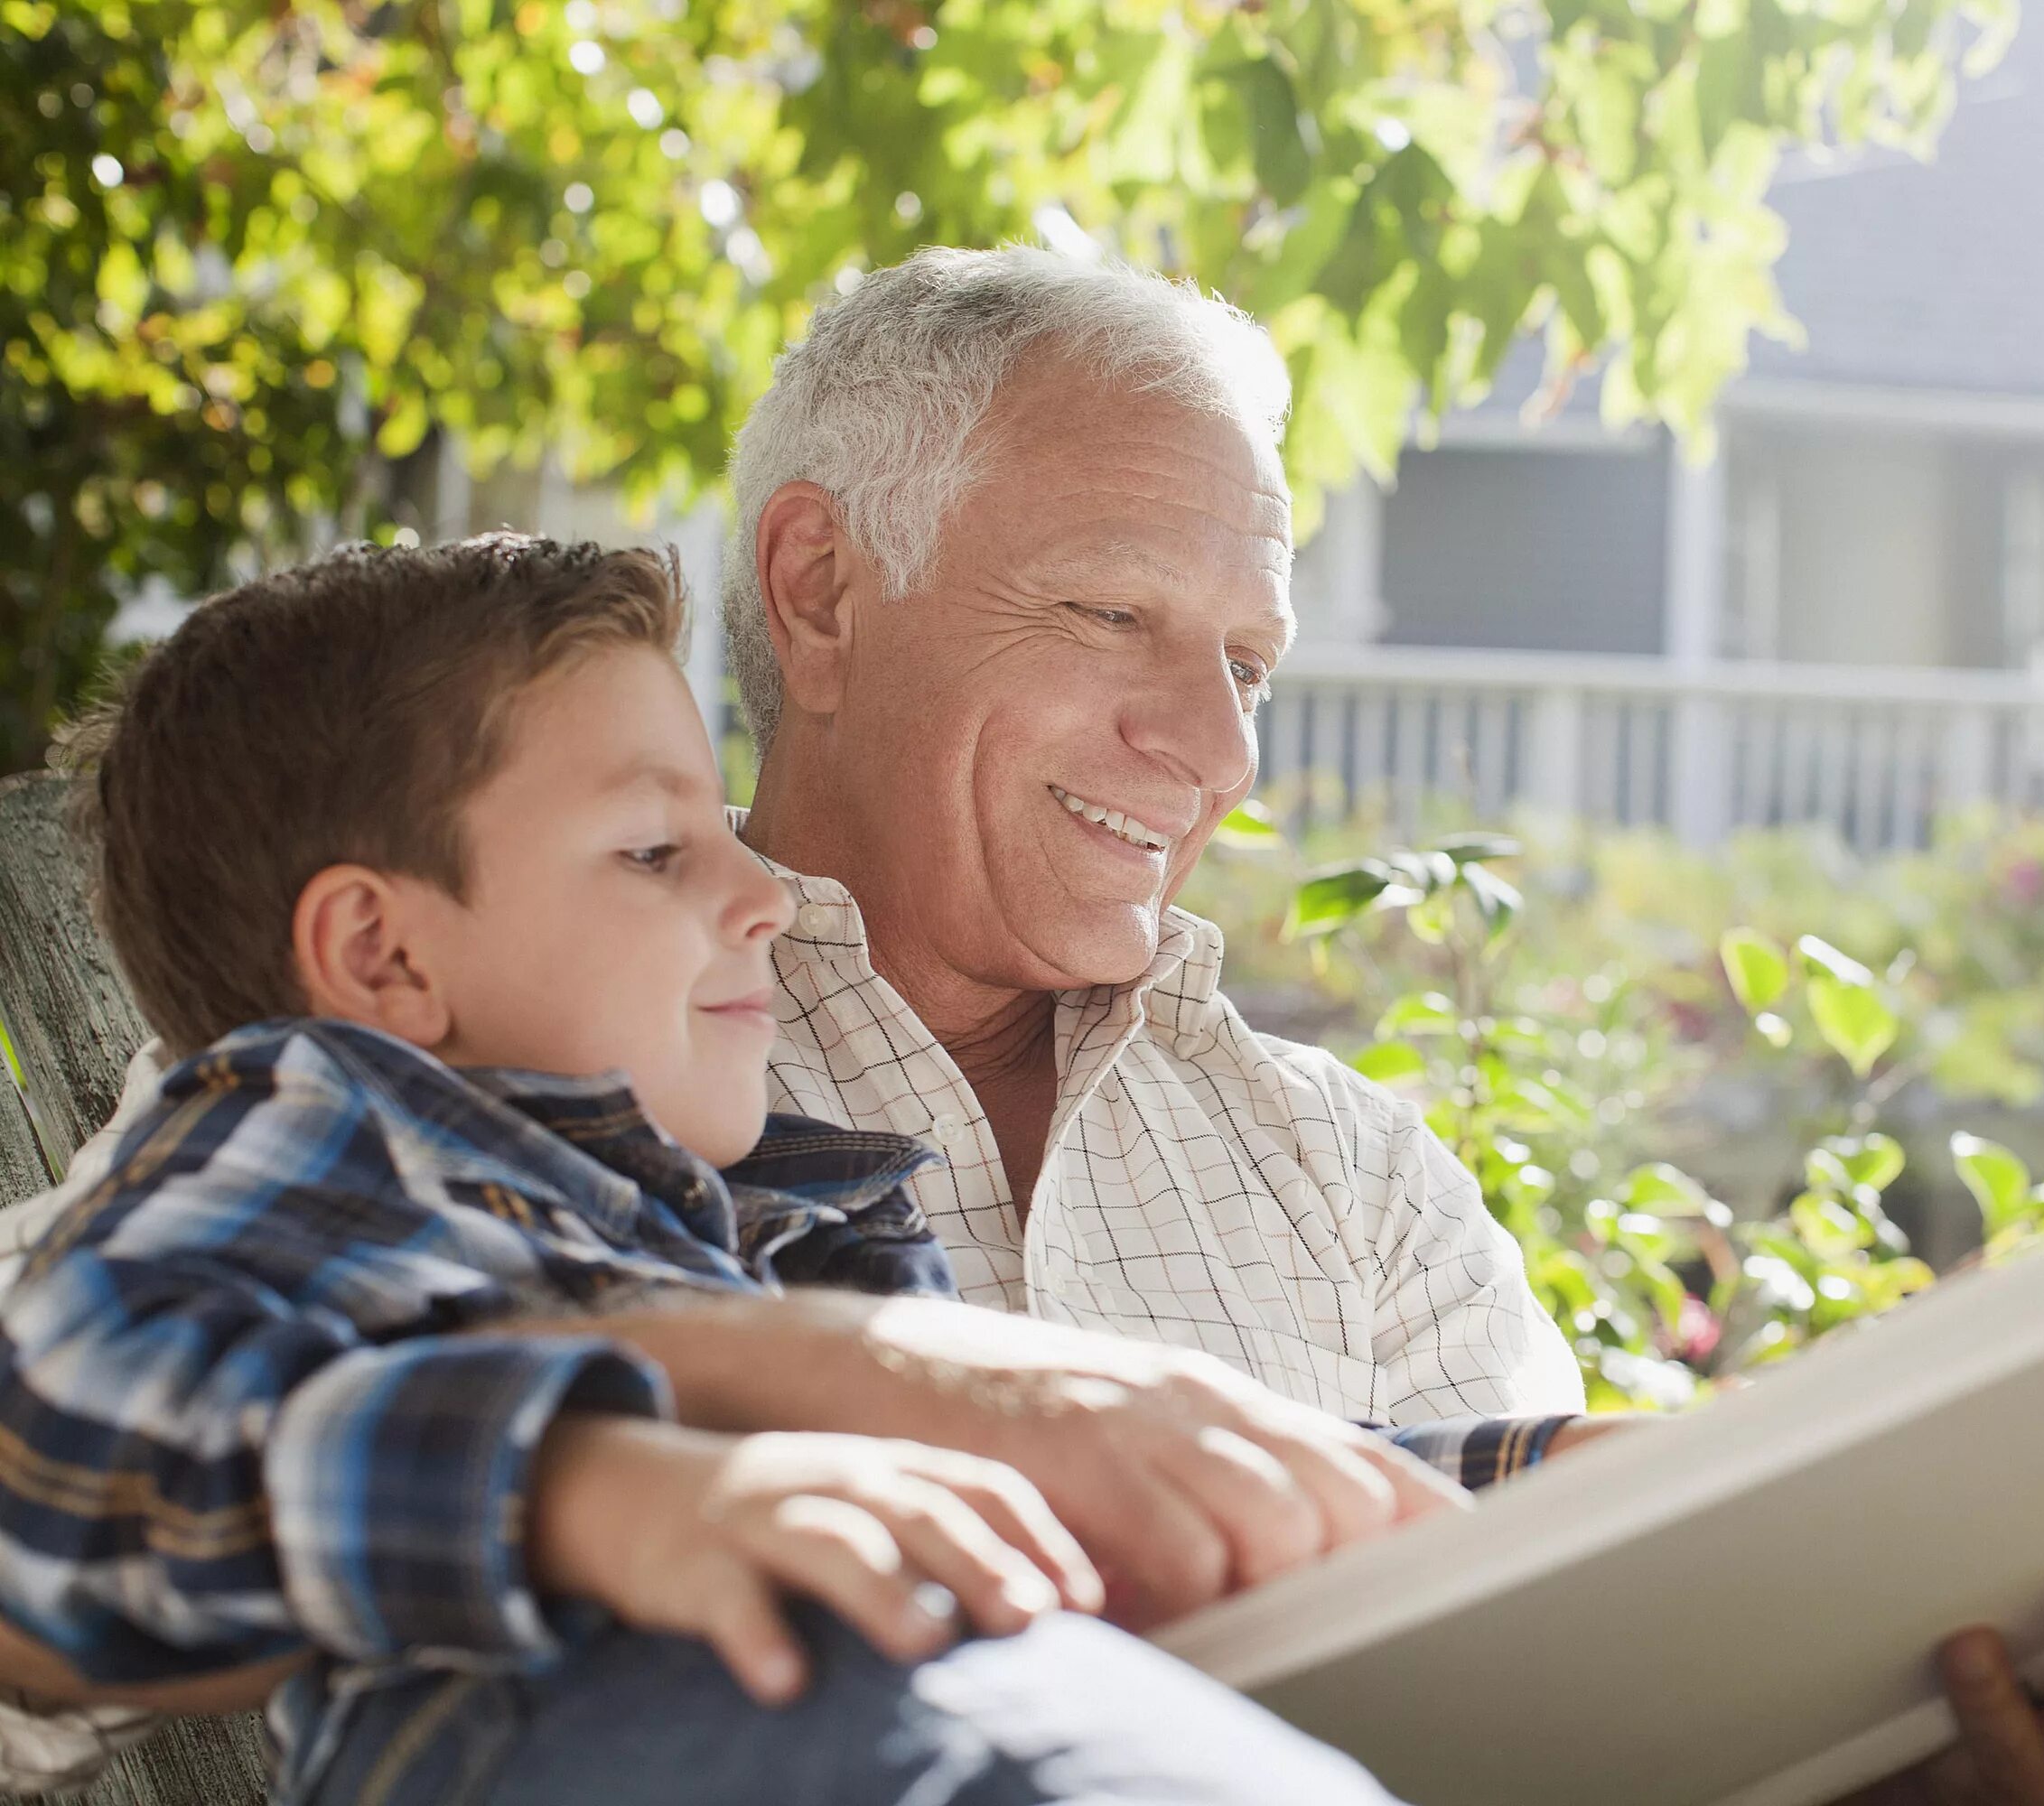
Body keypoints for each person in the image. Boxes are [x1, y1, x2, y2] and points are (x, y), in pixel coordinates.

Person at [714, 244, 2044, 1806]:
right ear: (823, 592)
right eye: (1111, 616)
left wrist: (1908, 1764)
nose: (1219, 751)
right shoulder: (545, 1116)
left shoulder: (1357, 1179)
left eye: (1251, 663)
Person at [0, 535, 1423, 1804]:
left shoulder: (783, 1224)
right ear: (383, 956)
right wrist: (581, 1488)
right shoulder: (331, 1121)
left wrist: (1527, 1475)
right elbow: (57, 1427)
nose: (763, 895)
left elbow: (1154, 1483)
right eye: (652, 850)